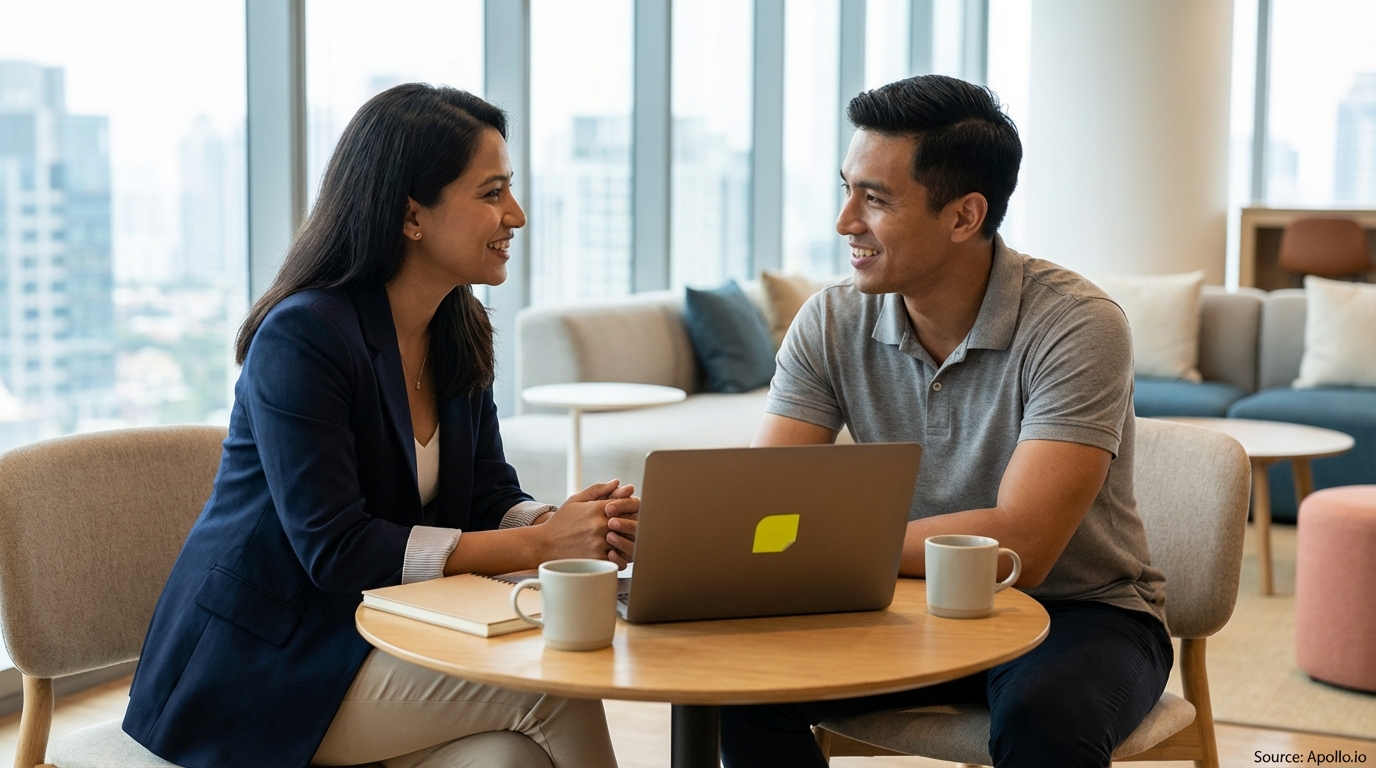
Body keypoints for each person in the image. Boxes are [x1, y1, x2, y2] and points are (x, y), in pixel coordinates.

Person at [123, 84, 636, 768]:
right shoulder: (303, 337)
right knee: (554, 691)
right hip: (264, 666)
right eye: (492, 192)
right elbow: (336, 547)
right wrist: (537, 545)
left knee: (511, 759)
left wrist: (560, 523)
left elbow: (486, 492)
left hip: (388, 634)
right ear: (411, 215)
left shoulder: (459, 325)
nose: (515, 214)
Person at [720, 75, 1173, 768]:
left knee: (1043, 718)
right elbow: (765, 503)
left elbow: (1023, 544)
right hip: (900, 602)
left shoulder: (1077, 325)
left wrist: (819, 546)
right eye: (846, 190)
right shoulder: (832, 319)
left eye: (874, 199)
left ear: (964, 217)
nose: (845, 222)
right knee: (736, 684)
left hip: (1078, 612)